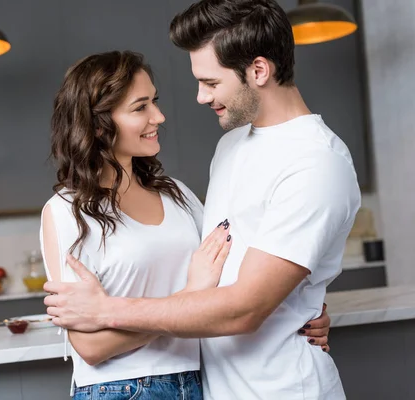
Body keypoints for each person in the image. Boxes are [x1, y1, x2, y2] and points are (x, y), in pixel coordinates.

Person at [43, 1, 360, 399]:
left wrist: (106, 310)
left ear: (258, 70)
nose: (198, 97)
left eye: (210, 82)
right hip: (212, 387)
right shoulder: (230, 146)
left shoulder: (316, 162)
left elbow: (246, 307)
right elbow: (237, 264)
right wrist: (300, 304)